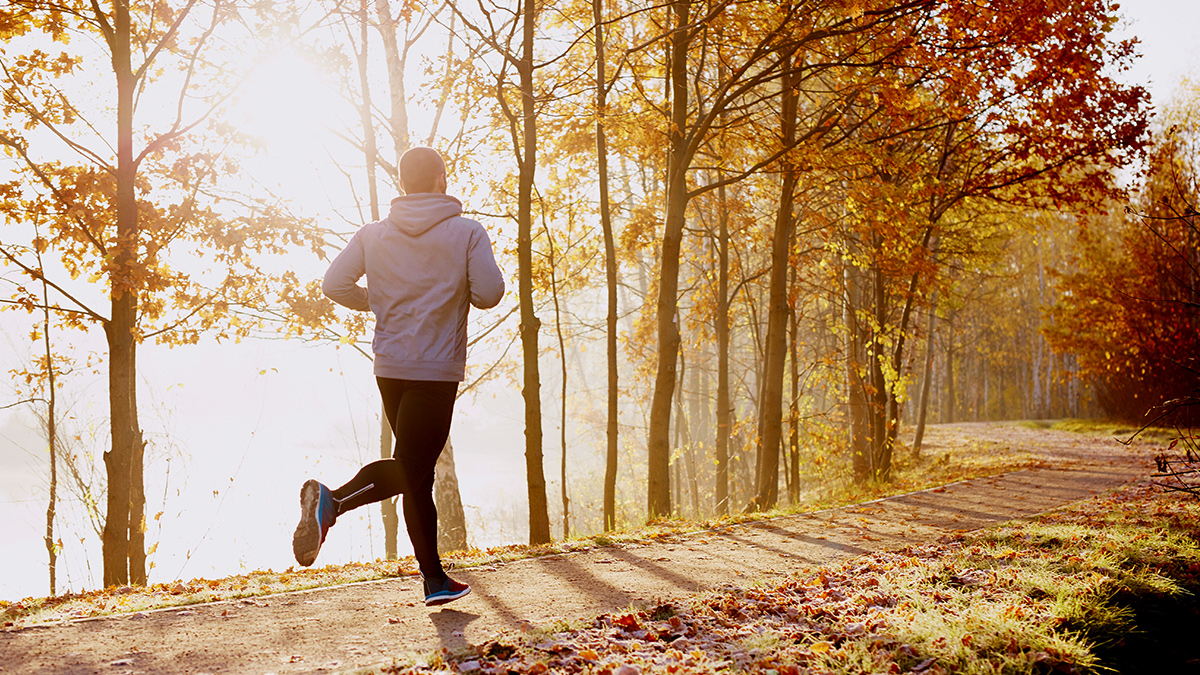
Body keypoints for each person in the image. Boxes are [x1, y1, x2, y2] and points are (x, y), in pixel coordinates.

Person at [292, 146, 504, 607]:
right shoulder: (467, 233)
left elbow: (334, 286)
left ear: (404, 184)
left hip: (390, 366)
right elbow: (489, 293)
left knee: (413, 468)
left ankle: (431, 577)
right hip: (435, 367)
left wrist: (385, 300)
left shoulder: (373, 234)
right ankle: (338, 504)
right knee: (415, 468)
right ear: (441, 180)